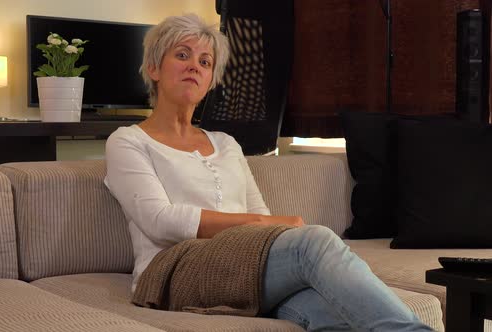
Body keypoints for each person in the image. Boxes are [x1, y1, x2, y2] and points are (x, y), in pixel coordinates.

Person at [104, 13, 434, 331]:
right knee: (312, 242)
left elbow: (259, 213)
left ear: (211, 80)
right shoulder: (129, 141)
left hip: (241, 264)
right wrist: (263, 225)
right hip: (174, 269)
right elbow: (160, 221)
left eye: (205, 62)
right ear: (153, 67)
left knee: (332, 316)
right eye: (182, 54)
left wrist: (263, 224)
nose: (194, 65)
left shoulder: (226, 144)